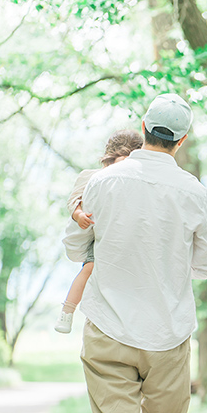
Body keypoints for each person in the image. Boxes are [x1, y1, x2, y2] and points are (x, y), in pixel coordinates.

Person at [63, 93, 207, 413]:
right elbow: (204, 265)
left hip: (108, 325)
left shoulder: (103, 182)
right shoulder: (195, 191)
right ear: (182, 140)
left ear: (142, 125)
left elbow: (75, 247)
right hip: (169, 332)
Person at [55, 129, 143, 334]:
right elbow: (73, 200)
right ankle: (67, 312)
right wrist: (78, 215)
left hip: (125, 237)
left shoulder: (138, 180)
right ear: (109, 159)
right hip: (100, 235)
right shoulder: (91, 177)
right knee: (89, 269)